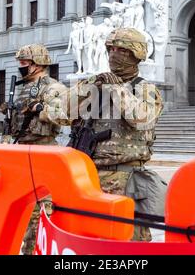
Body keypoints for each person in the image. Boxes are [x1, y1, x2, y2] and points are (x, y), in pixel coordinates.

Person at [67, 28, 167, 241]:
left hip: (124, 180)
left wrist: (116, 88)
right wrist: (87, 87)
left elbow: (141, 118)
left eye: (121, 50)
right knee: (91, 239)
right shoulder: (97, 85)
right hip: (89, 177)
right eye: (110, 49)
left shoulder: (144, 89)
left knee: (128, 242)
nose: (113, 54)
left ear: (135, 54)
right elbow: (63, 114)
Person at [0, 43, 68, 254]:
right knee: (22, 212)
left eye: (25, 63)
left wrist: (40, 109)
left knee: (41, 214)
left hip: (43, 152)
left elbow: (65, 115)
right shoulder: (23, 89)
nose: (21, 67)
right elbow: (13, 124)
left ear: (38, 64)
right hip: (21, 152)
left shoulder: (54, 88)